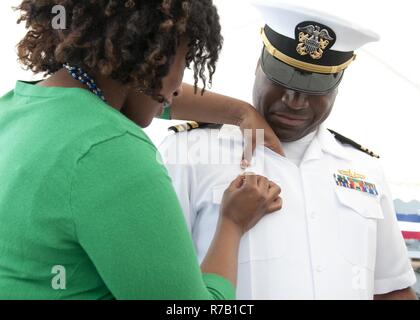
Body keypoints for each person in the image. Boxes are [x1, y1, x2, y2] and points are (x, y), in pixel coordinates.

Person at [0, 0, 283, 299]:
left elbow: (143, 94)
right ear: (153, 53)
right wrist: (232, 222)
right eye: (185, 61)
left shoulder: (16, 109)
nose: (177, 87)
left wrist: (239, 112)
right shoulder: (111, 150)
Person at [160, 1, 417, 299]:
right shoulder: (189, 151)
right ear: (258, 67)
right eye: (283, 81)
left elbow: (390, 289)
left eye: (314, 89)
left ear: (337, 86)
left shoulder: (365, 169)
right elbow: (156, 282)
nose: (295, 100)